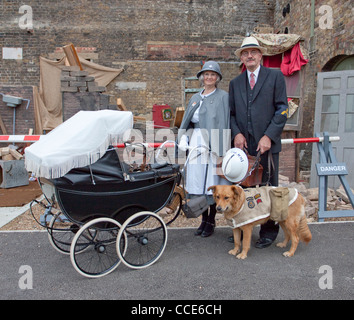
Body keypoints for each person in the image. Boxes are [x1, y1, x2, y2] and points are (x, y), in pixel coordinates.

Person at [229, 36, 289, 248]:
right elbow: (232, 114)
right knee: (244, 190)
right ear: (242, 58)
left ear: (260, 55)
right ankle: (244, 226)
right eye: (245, 53)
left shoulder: (275, 77)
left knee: (268, 190)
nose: (249, 55)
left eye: (253, 51)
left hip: (267, 146)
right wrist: (237, 134)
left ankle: (269, 231)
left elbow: (283, 109)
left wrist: (269, 136)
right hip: (243, 148)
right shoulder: (235, 83)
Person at [178, 61, 231, 237]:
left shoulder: (222, 97)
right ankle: (203, 219)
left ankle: (211, 221)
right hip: (196, 142)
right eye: (206, 74)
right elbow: (188, 121)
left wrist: (221, 149)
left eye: (212, 74)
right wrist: (184, 137)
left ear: (217, 78)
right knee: (198, 181)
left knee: (212, 182)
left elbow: (224, 123)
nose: (209, 77)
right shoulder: (194, 98)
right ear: (202, 77)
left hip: (213, 143)